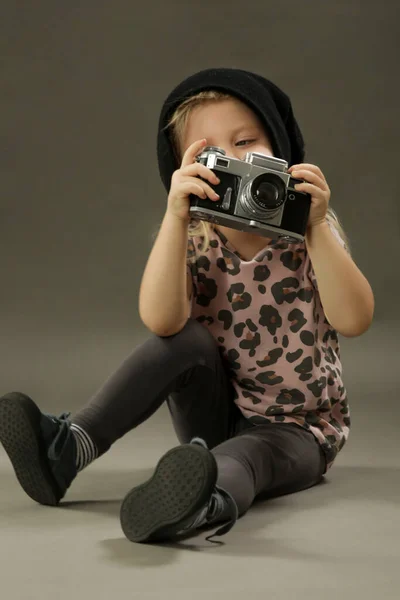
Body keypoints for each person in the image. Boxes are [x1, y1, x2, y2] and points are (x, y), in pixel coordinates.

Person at [0, 68, 374, 545]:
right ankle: (67, 448)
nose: (234, 160)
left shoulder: (309, 233)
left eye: (246, 142)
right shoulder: (195, 236)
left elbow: (355, 319)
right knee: (184, 338)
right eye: (212, 153)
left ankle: (198, 503)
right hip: (214, 412)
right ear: (184, 169)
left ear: (279, 149)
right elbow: (162, 322)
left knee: (248, 457)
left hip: (297, 430)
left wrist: (316, 226)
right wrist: (175, 217)